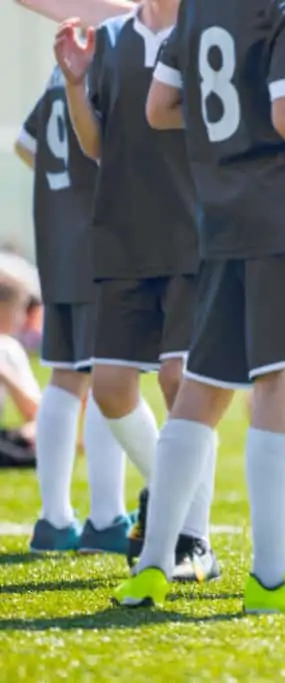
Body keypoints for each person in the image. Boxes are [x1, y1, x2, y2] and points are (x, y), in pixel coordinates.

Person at [112, 0, 285, 614]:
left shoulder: (198, 7)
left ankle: (152, 566)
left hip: (223, 218)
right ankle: (274, 577)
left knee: (203, 389)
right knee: (283, 389)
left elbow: (159, 108)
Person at [55, 0, 219, 579]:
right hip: (124, 234)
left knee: (181, 381)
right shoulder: (111, 39)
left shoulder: (207, 29)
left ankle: (194, 536)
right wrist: (76, 83)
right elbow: (96, 144)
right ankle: (167, 489)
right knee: (111, 388)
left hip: (196, 233)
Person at [14, 63, 132, 553]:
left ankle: (54, 519)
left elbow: (25, 145)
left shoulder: (59, 69)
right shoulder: (110, 55)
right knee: (109, 373)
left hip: (58, 239)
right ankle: (105, 518)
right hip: (99, 239)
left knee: (65, 376)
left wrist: (63, 187)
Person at [0, 280, 42, 469]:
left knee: (36, 442)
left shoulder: (9, 349)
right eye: (19, 310)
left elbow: (35, 413)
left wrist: (4, 373)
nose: (23, 319)